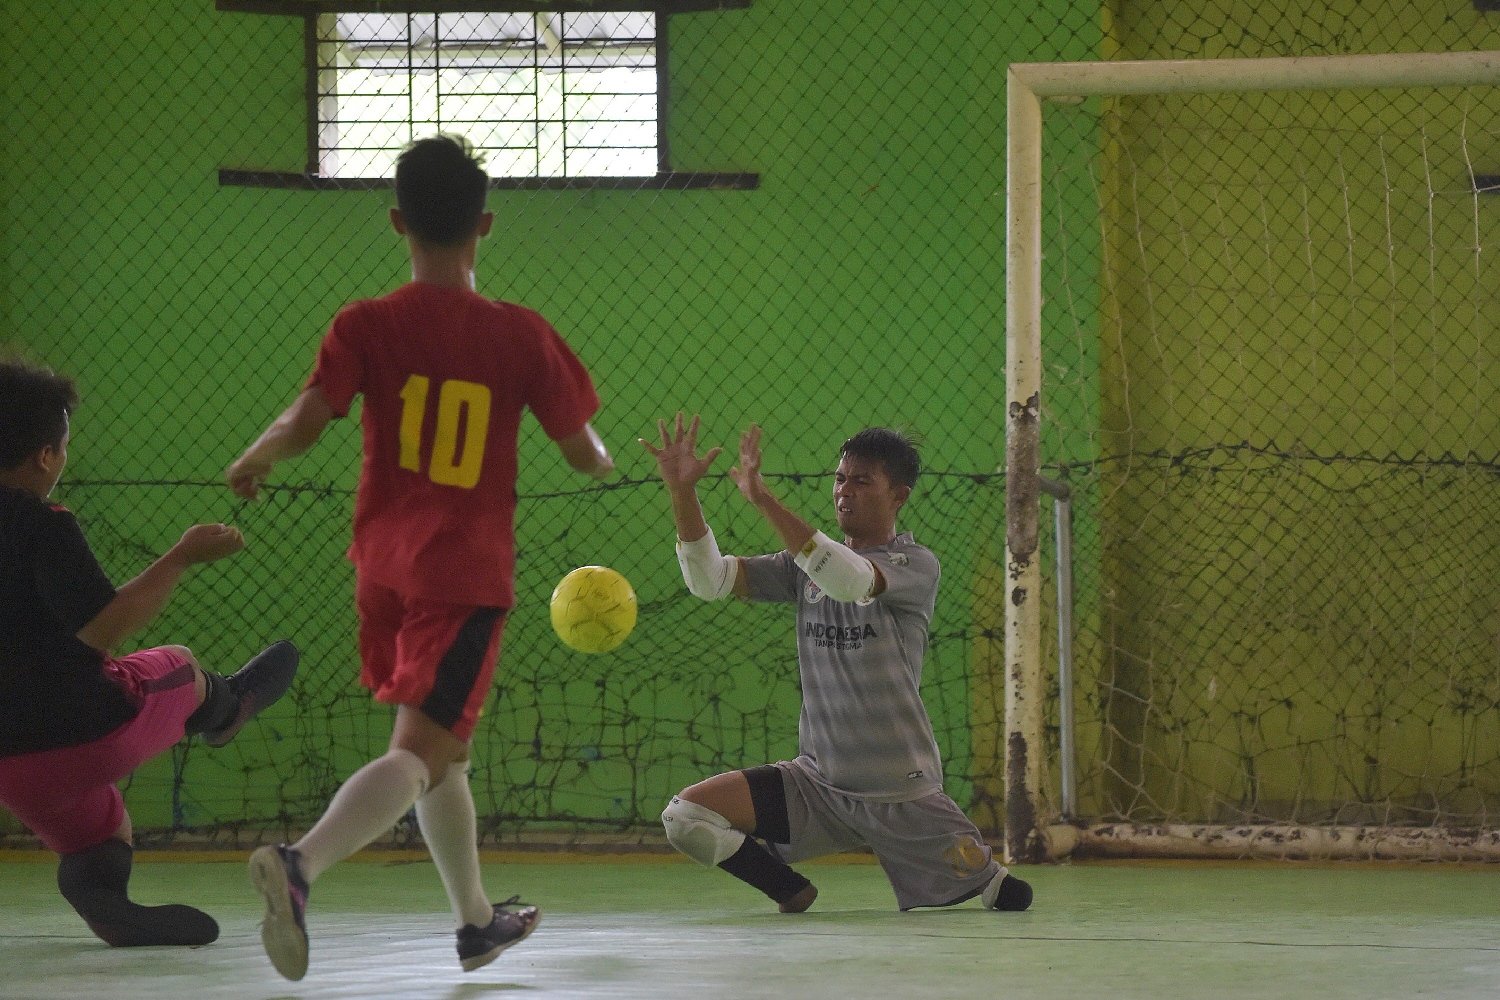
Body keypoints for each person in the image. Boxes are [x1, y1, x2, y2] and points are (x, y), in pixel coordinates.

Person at [226, 133, 614, 981]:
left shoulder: (365, 323)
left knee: (446, 753)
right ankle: (300, 866)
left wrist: (256, 455)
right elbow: (585, 453)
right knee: (421, 754)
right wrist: (604, 455)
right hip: (462, 574)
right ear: (487, 224)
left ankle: (477, 923)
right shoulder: (519, 334)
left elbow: (306, 415)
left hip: (381, 569)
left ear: (397, 220)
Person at [640, 413, 1032, 915]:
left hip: (898, 789)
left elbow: (849, 580)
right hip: (816, 785)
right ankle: (788, 889)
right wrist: (682, 493)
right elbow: (709, 580)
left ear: (900, 495)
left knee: (1008, 896)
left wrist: (762, 498)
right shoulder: (801, 568)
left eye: (862, 481)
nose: (845, 491)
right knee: (686, 817)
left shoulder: (914, 565)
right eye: (840, 478)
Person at [0, 359, 299, 948]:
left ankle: (103, 902)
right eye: (63, 447)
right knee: (180, 666)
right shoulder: (44, 525)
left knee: (98, 827)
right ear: (44, 456)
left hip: (12, 770)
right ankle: (226, 707)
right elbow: (103, 628)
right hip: (87, 733)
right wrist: (182, 555)